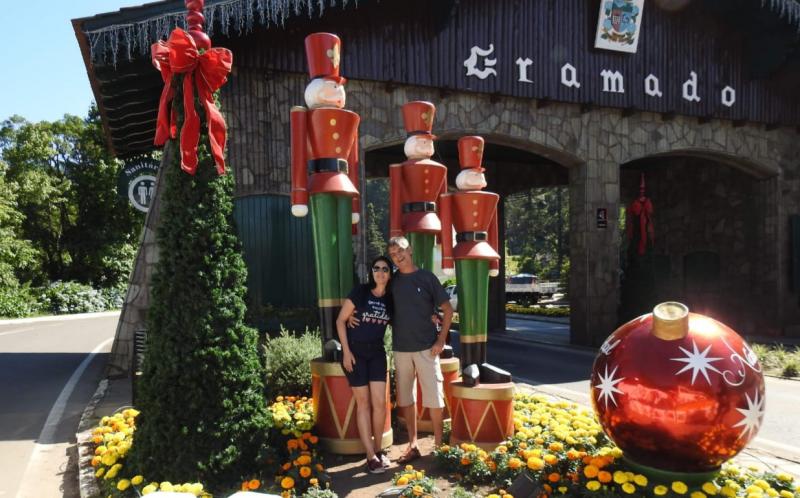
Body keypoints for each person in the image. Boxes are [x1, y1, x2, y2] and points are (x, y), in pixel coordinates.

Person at [386, 236, 453, 463]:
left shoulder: (426, 278)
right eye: (393, 254)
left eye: (401, 251)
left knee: (434, 398)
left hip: (427, 348)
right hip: (401, 349)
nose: (398, 256)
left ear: (410, 249)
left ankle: (439, 446)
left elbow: (447, 310)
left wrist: (440, 340)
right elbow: (376, 303)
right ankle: (413, 445)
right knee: (406, 398)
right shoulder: (391, 282)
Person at [335, 256, 393, 473]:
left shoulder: (391, 299)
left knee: (379, 403)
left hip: (377, 353)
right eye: (376, 268)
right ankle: (370, 456)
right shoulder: (360, 291)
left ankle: (378, 451)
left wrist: (433, 318)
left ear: (389, 274)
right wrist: (346, 352)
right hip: (355, 352)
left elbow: (405, 317)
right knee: (364, 403)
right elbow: (341, 320)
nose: (380, 272)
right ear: (371, 272)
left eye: (385, 269)